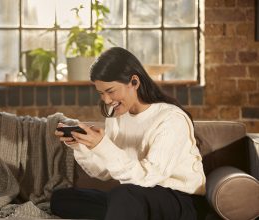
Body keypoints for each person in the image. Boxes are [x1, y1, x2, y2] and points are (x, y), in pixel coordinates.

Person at [51, 47, 206, 220]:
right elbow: (104, 172)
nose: (106, 100)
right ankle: (123, 211)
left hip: (180, 201)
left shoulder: (171, 119)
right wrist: (80, 146)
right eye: (101, 93)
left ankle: (123, 209)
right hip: (136, 196)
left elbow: (149, 177)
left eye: (110, 91)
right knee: (61, 198)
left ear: (134, 82)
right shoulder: (117, 116)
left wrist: (103, 145)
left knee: (123, 196)